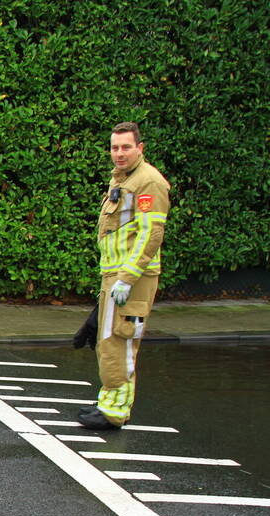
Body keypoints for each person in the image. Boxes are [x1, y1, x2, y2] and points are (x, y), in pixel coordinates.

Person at [78, 121, 169, 430]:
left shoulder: (148, 182)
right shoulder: (125, 178)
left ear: (139, 148)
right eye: (115, 147)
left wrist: (127, 278)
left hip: (130, 278)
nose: (119, 153)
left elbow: (150, 235)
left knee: (121, 340)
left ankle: (115, 411)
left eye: (126, 147)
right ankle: (110, 401)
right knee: (108, 341)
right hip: (115, 277)